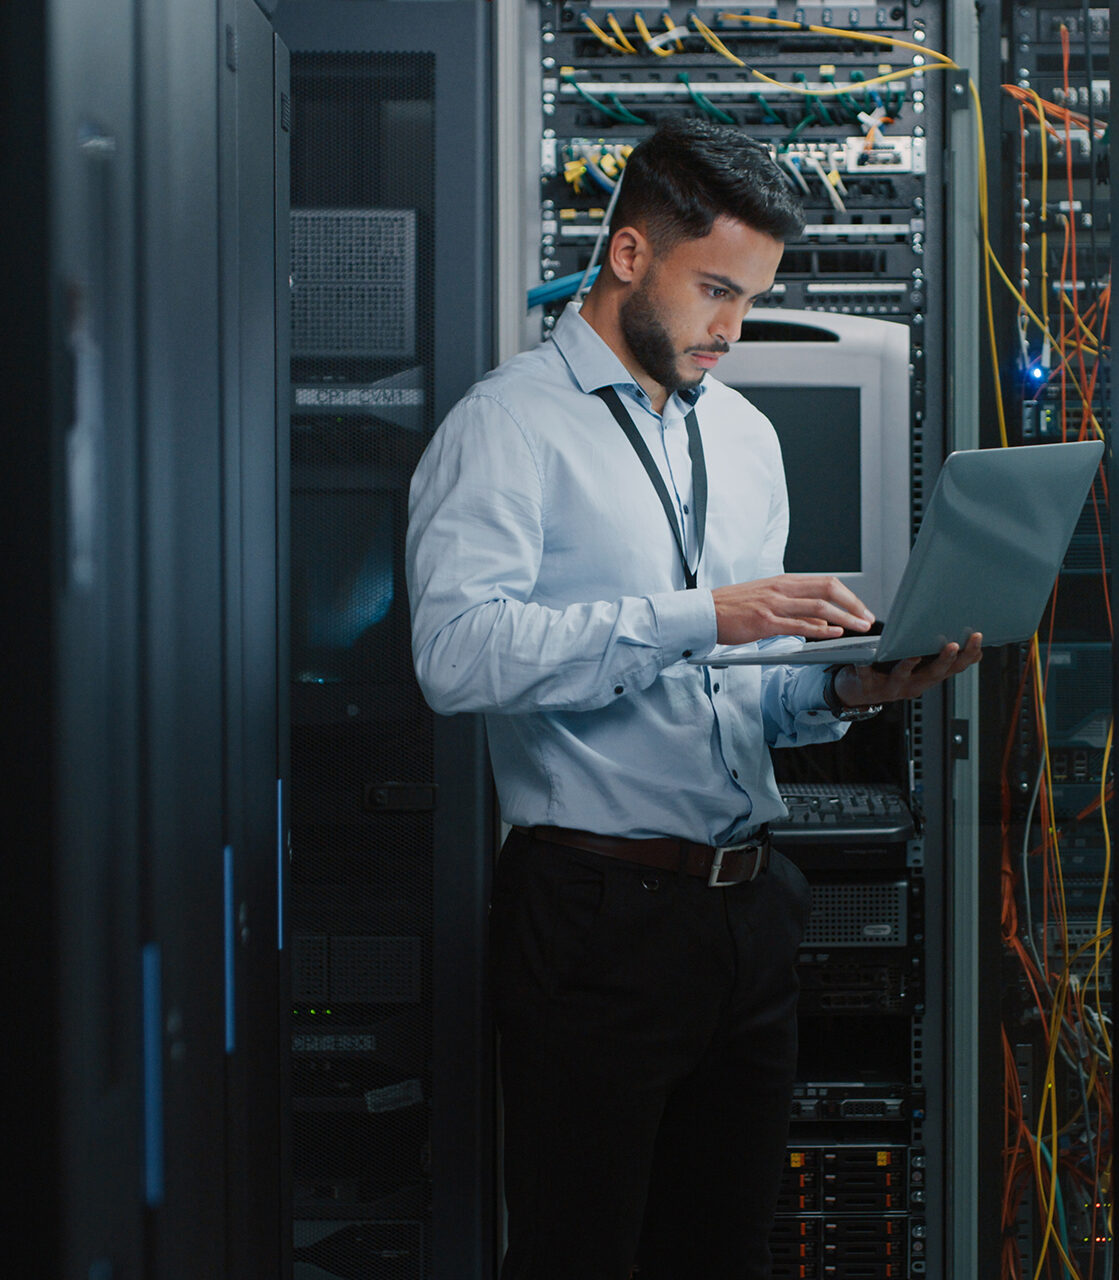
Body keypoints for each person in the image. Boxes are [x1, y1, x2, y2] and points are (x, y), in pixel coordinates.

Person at [406, 116, 979, 1279]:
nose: (732, 329)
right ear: (628, 256)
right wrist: (701, 614)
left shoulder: (745, 434)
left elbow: (743, 694)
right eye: (714, 289)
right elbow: (454, 653)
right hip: (593, 911)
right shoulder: (506, 427)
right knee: (580, 1253)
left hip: (744, 908)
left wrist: (850, 687)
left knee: (722, 1253)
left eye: (751, 296)